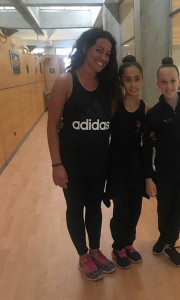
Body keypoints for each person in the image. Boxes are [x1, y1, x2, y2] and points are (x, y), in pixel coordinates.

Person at [47, 28, 122, 281]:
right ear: (85, 49)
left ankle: (95, 250)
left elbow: (113, 123)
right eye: (98, 50)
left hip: (98, 164)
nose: (103, 57)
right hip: (72, 165)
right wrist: (57, 164)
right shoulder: (65, 82)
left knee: (95, 208)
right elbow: (52, 125)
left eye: (108, 53)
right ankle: (82, 256)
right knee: (75, 208)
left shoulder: (109, 87)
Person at [144, 57, 180, 267]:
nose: (168, 86)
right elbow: (147, 146)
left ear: (179, 81)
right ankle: (163, 236)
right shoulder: (154, 113)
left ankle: (170, 244)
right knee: (163, 209)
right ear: (158, 84)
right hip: (163, 172)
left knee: (179, 209)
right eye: (164, 82)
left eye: (172, 81)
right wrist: (149, 175)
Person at [104, 55, 150, 269]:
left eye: (137, 79)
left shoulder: (146, 109)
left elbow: (149, 143)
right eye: (128, 79)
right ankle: (118, 246)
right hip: (118, 166)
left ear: (142, 80)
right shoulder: (114, 107)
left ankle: (128, 243)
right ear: (122, 81)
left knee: (135, 208)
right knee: (120, 209)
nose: (133, 84)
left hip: (136, 166)